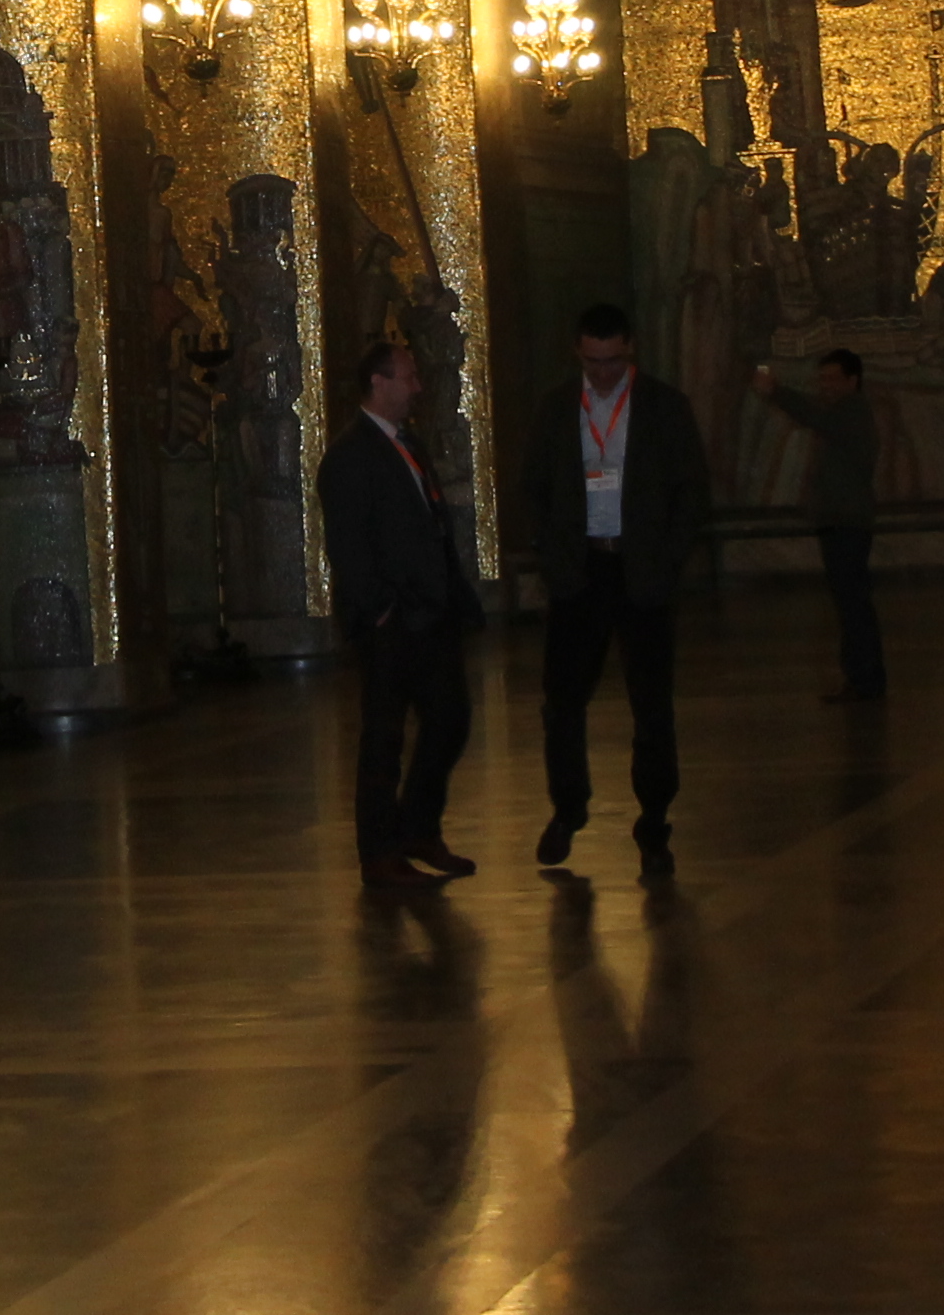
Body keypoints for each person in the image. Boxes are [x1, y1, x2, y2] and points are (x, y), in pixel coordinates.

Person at [522, 303, 711, 883]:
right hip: (581, 572)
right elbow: (534, 488)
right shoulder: (556, 408)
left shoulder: (664, 406)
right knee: (562, 702)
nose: (603, 374)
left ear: (630, 350)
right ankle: (568, 807)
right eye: (592, 363)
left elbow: (691, 490)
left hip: (642, 570)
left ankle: (654, 825)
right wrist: (555, 561)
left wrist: (668, 561)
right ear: (578, 354)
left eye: (612, 362)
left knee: (651, 705)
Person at [315, 339, 478, 890]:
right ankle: (380, 854)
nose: (418, 387)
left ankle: (418, 829)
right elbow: (349, 544)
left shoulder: (408, 443)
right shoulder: (349, 455)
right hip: (391, 622)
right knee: (384, 738)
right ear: (378, 383)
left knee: (450, 719)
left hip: (430, 613)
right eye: (408, 377)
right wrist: (380, 608)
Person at [748, 350, 884, 701]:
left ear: (853, 381)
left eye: (832, 379)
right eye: (822, 379)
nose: (825, 386)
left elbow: (814, 416)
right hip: (842, 520)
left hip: (845, 522)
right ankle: (862, 677)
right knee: (851, 603)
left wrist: (776, 391)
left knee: (852, 604)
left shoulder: (850, 411)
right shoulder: (849, 412)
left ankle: (864, 679)